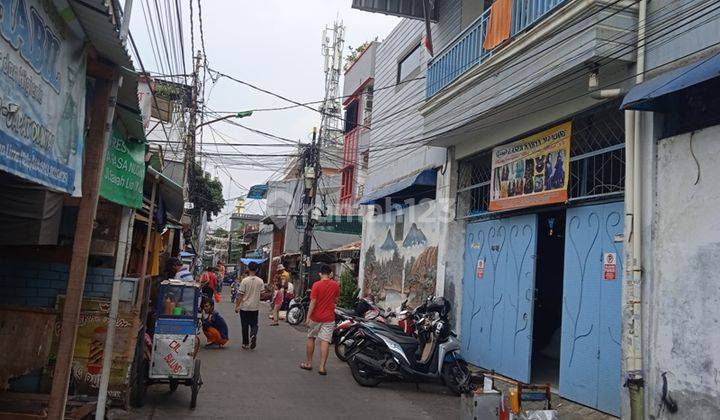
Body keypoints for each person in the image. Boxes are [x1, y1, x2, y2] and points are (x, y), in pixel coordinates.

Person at [300, 264, 340, 376]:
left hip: (316, 317)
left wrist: (307, 317)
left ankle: (308, 363)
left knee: (311, 337)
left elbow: (312, 302)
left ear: (320, 273)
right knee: (325, 341)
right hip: (329, 317)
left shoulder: (316, 285)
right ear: (330, 273)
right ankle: (322, 367)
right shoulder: (335, 285)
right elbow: (336, 299)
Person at [235, 262, 264, 349]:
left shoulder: (244, 281)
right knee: (254, 323)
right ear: (257, 269)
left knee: (244, 325)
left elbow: (240, 295)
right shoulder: (260, 281)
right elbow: (262, 294)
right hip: (255, 307)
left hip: (244, 307)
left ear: (248, 269)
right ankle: (253, 333)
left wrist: (237, 306)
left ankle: (245, 343)